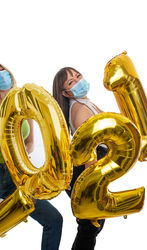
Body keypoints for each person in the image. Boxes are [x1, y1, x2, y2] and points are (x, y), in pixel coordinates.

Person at [0, 62, 63, 250]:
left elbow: (30, 142)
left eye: (1, 70)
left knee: (54, 220)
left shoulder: (24, 104)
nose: (0, 74)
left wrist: (22, 161)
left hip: (18, 174)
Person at [52, 67, 108, 250]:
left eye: (78, 76)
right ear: (64, 92)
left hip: (86, 169)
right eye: (71, 82)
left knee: (92, 225)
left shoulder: (85, 103)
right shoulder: (80, 109)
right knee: (90, 225)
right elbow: (89, 148)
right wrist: (90, 184)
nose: (78, 81)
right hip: (85, 170)